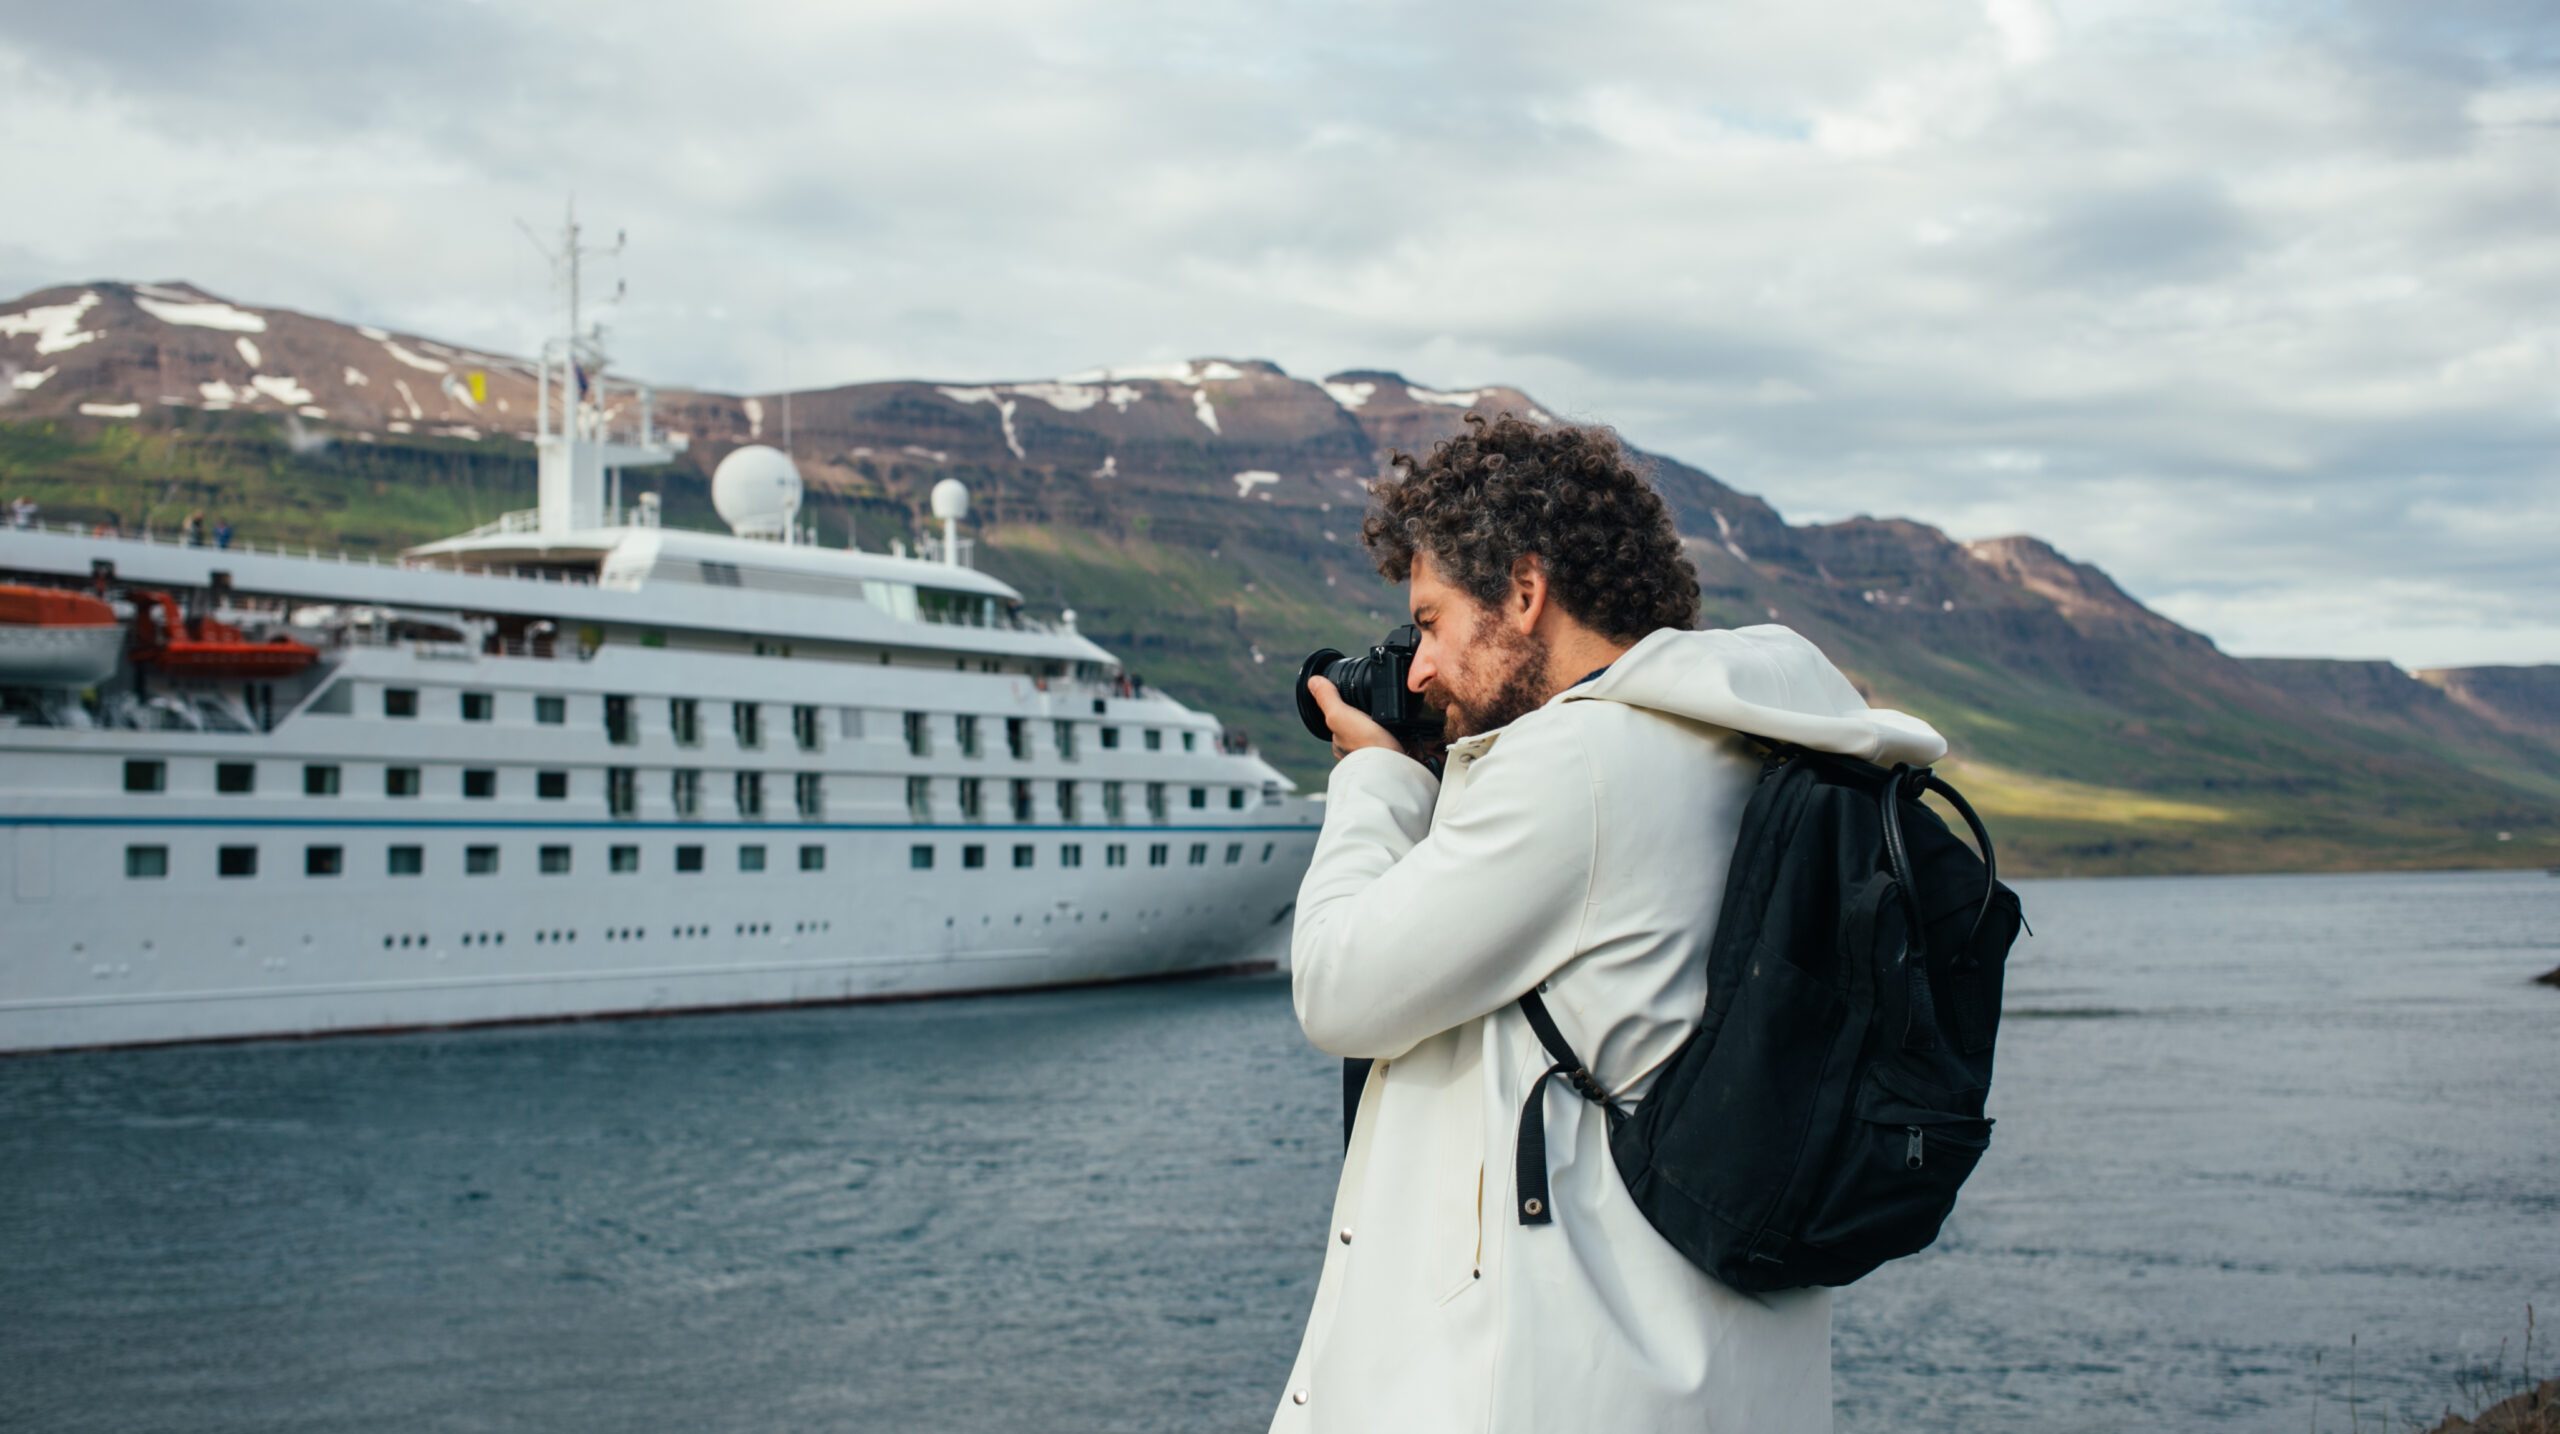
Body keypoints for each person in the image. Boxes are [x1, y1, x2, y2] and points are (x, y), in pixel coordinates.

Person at [1274, 413, 1949, 1434]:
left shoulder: (1577, 769)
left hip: (1545, 1390)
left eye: (1431, 621)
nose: (1414, 671)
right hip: (1719, 1377)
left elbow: (1338, 989)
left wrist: (1372, 777)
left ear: (1526, 591)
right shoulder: (1773, 750)